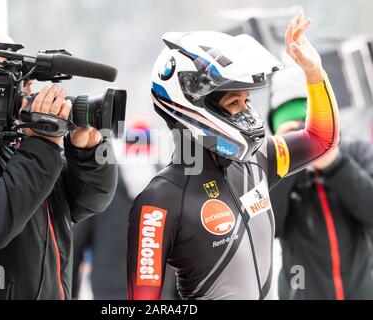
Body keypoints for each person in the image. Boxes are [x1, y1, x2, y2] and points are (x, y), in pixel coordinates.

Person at [127, 11, 340, 300]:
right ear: (194, 105)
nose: (246, 113)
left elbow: (321, 138)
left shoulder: (259, 159)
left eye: (247, 101)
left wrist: (314, 74)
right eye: (234, 103)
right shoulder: (160, 200)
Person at [0, 26, 117, 299]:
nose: (26, 89)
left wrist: (86, 150)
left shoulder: (17, 146)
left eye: (26, 80)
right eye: (13, 77)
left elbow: (89, 202)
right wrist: (42, 142)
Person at [268, 66, 373, 300]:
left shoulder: (356, 152)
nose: (301, 136)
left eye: (306, 126)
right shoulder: (271, 168)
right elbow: (267, 228)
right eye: (291, 129)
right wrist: (289, 161)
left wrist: (334, 163)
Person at [72, 119, 179, 300]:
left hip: (108, 292)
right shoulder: (171, 186)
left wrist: (72, 290)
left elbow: (77, 241)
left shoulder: (103, 185)